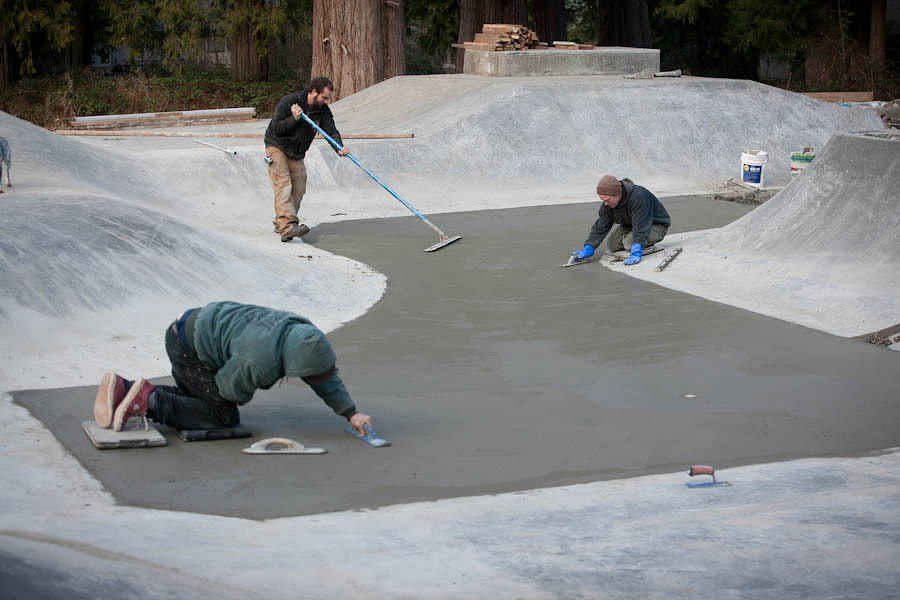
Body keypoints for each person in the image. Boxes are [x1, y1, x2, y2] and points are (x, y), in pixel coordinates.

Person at [92, 301, 373, 436]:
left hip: (193, 324)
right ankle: (148, 401)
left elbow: (323, 376)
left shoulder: (301, 333)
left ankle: (126, 390)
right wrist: (246, 387)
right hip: (188, 346)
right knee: (221, 414)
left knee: (201, 398)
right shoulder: (260, 362)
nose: (313, 380)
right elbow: (229, 390)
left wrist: (350, 412)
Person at [264, 76, 350, 242]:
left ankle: (280, 222)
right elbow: (276, 128)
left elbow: (331, 131)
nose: (326, 101)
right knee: (284, 184)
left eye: (327, 99)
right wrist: (294, 119)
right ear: (313, 92)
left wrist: (339, 148)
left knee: (299, 187)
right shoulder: (290, 101)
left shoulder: (322, 110)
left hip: (297, 152)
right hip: (277, 146)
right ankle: (288, 227)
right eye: (324, 97)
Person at [572, 175, 671, 265]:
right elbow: (601, 226)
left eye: (607, 200)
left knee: (629, 244)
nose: (605, 203)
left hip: (656, 225)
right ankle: (633, 239)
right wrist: (589, 246)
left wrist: (638, 245)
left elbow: (642, 224)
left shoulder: (639, 196)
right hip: (631, 224)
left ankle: (642, 243)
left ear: (617, 194)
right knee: (612, 246)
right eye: (603, 200)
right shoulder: (608, 205)